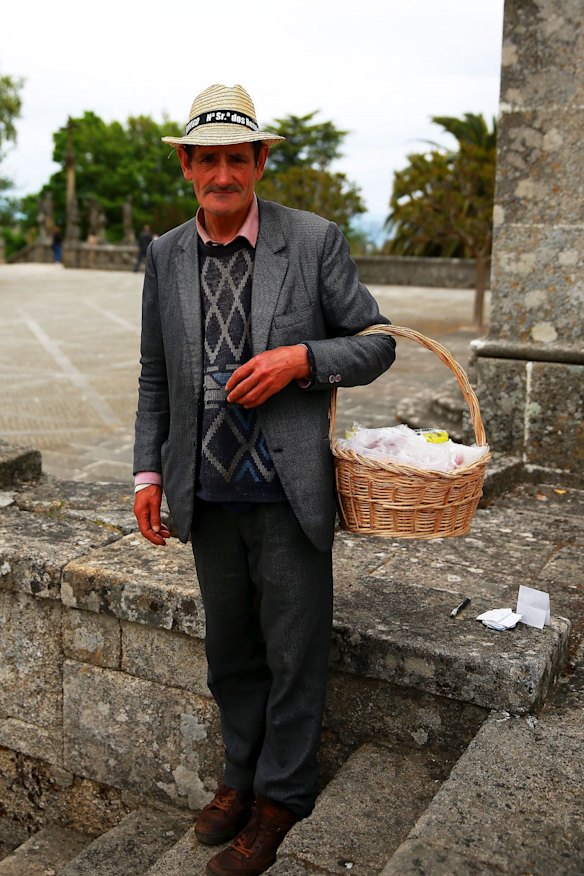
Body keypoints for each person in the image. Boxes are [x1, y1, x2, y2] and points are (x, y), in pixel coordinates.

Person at [133, 83, 395, 876]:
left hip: (289, 496)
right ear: (187, 167)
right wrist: (148, 472)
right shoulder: (165, 254)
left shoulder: (312, 241)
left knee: (294, 657)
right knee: (230, 657)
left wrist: (301, 360)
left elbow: (377, 341)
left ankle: (282, 800)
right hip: (206, 497)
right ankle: (238, 781)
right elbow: (154, 377)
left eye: (237, 159)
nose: (223, 174)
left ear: (259, 163)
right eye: (207, 160)